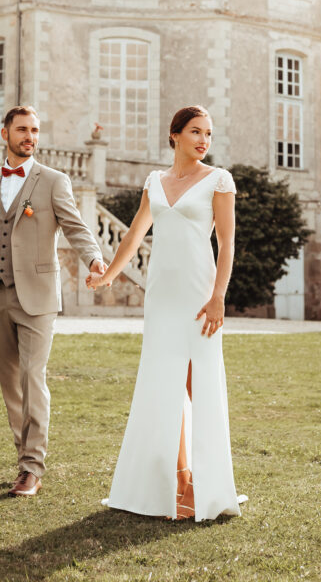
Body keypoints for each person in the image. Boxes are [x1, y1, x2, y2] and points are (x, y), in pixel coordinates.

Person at [87, 105, 246, 521]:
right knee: (164, 387)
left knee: (199, 386)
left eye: (208, 134)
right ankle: (179, 482)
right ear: (174, 134)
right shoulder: (154, 182)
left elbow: (227, 244)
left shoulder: (219, 181)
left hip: (199, 295)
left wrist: (219, 296)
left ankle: (208, 485)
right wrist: (107, 277)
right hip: (161, 297)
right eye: (195, 131)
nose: (203, 140)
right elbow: (134, 235)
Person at [0, 106, 106, 497]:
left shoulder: (54, 181)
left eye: (35, 130)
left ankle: (32, 467)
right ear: (5, 133)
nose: (30, 137)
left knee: (33, 376)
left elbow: (75, 226)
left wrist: (94, 258)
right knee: (10, 382)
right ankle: (23, 460)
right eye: (23, 129)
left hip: (39, 296)